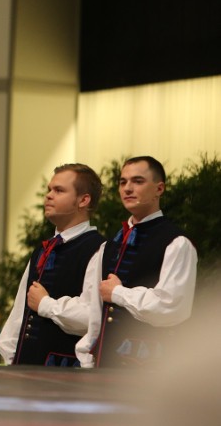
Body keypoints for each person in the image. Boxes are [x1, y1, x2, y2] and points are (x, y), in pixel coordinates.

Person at [76, 156, 198, 368]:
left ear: (159, 189)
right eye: (123, 182)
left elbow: (171, 307)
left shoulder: (177, 242)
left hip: (151, 369)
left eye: (138, 181)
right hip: (105, 364)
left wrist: (118, 293)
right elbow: (96, 313)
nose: (128, 188)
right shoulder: (110, 245)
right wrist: (87, 355)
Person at [0, 164, 106, 367]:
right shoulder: (44, 248)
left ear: (83, 200)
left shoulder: (97, 249)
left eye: (59, 190)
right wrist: (11, 357)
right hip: (26, 366)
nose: (48, 196)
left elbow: (92, 316)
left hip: (62, 370)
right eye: (49, 189)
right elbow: (20, 310)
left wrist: (47, 304)